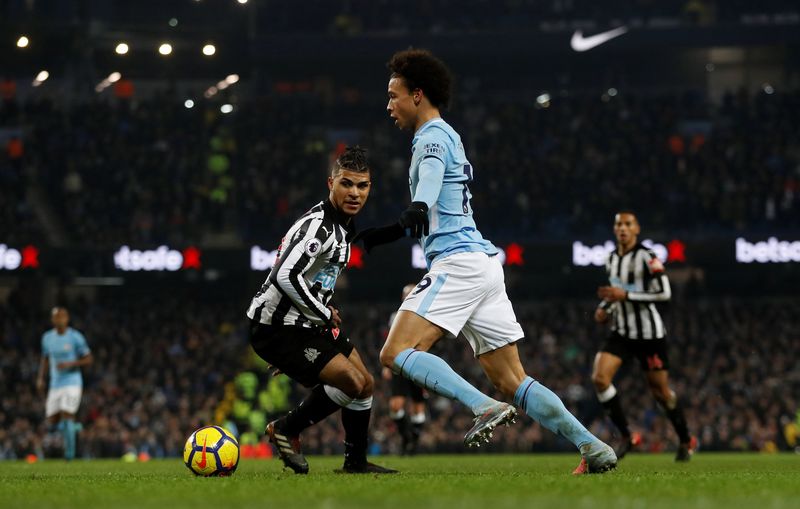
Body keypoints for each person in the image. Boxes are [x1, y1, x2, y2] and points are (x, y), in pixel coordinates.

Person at [356, 48, 616, 473]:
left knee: (394, 351)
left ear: (417, 95)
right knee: (513, 380)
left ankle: (481, 406)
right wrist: (392, 229)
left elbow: (432, 178)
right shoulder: (450, 134)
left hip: (457, 263)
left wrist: (417, 207)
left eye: (394, 95)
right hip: (483, 265)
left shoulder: (433, 137)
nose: (389, 105)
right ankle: (592, 447)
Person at [246, 146, 396, 475]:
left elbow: (314, 277)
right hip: (278, 327)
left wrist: (324, 306)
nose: (355, 193)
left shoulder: (343, 227)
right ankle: (286, 428)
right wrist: (323, 313)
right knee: (353, 383)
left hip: (304, 321)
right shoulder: (320, 228)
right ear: (331, 183)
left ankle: (355, 462)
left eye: (363, 185)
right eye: (347, 184)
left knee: (366, 384)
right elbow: (284, 275)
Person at [590, 211, 697, 461]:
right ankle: (628, 436)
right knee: (600, 378)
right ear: (614, 229)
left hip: (650, 335)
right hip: (622, 332)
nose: (623, 228)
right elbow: (617, 292)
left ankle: (685, 438)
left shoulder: (648, 257)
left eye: (628, 224)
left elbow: (663, 292)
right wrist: (604, 309)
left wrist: (624, 297)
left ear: (637, 229)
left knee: (660, 392)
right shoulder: (611, 259)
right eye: (619, 224)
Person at [36, 307, 93, 461]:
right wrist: (40, 378)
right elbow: (45, 358)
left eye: (61, 316)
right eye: (56, 317)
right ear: (52, 320)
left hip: (72, 382)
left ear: (67, 319)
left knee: (67, 414)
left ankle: (69, 455)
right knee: (52, 422)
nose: (59, 319)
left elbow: (88, 359)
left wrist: (71, 364)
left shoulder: (75, 337)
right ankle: (75, 428)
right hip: (55, 383)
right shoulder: (47, 338)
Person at [383, 283, 428, 455]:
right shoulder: (395, 316)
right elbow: (390, 342)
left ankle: (413, 443)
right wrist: (386, 364)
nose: (407, 297)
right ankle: (406, 436)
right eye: (405, 294)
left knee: (418, 406)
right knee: (395, 406)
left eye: (411, 294)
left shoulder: (425, 314)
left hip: (418, 364)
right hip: (399, 364)